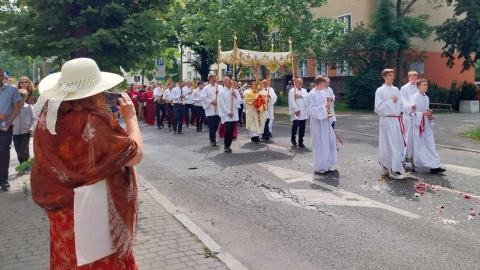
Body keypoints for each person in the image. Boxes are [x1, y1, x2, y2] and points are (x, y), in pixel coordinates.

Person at [30, 58, 143, 268]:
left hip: (61, 211)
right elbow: (134, 155)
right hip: (94, 209)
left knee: (68, 258)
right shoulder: (95, 119)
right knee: (99, 261)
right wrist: (131, 118)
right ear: (94, 91)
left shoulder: (46, 119)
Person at [374, 69, 415, 180]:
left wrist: (410, 107)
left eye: (393, 75)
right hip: (386, 120)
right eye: (390, 75)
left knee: (397, 144)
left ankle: (395, 168)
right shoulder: (380, 90)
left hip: (396, 120)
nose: (392, 77)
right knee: (387, 144)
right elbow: (378, 108)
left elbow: (402, 104)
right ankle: (386, 166)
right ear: (384, 77)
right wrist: (391, 102)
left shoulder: (396, 89)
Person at [408, 79, 446, 174]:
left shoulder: (427, 98)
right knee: (419, 145)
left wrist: (430, 115)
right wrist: (422, 114)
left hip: (426, 124)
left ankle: (435, 165)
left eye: (427, 84)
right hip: (418, 125)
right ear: (418, 86)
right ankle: (416, 163)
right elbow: (411, 113)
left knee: (430, 144)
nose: (426, 86)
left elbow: (426, 110)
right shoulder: (414, 98)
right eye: (424, 85)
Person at [308, 76, 337, 174]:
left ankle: (328, 164)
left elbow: (328, 105)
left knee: (329, 143)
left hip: (326, 122)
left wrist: (329, 115)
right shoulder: (311, 94)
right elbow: (312, 110)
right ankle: (320, 167)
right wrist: (324, 107)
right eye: (324, 84)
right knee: (320, 144)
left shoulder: (323, 92)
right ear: (320, 84)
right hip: (318, 123)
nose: (325, 86)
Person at [0, 68, 23, 190]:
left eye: (0, 76)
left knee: (4, 151)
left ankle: (3, 180)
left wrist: (10, 120)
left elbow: (17, 107)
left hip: (5, 127)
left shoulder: (12, 90)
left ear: (3, 77)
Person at [12, 89, 37, 173]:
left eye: (23, 98)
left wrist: (31, 127)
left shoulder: (29, 107)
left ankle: (26, 166)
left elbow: (34, 119)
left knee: (24, 148)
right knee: (18, 150)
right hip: (15, 132)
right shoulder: (13, 107)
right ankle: (22, 165)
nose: (21, 100)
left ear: (26, 97)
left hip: (26, 131)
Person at [217, 77, 240, 153]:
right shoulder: (221, 92)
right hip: (226, 114)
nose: (230, 82)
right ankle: (226, 145)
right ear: (224, 82)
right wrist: (228, 112)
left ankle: (228, 145)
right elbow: (221, 104)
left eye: (230, 81)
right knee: (228, 129)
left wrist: (235, 96)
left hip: (233, 114)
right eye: (228, 81)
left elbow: (239, 103)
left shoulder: (234, 91)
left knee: (231, 130)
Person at [400, 71, 419, 160]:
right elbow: (402, 100)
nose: (414, 80)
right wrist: (410, 106)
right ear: (409, 78)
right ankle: (405, 152)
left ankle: (414, 153)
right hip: (408, 114)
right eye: (412, 78)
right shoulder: (404, 88)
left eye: (415, 79)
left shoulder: (418, 87)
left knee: (415, 134)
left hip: (416, 114)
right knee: (406, 133)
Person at [201, 74, 222, 146]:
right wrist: (211, 101)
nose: (214, 79)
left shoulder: (219, 87)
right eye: (213, 78)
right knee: (211, 125)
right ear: (209, 79)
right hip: (210, 109)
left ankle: (213, 136)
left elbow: (223, 96)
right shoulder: (206, 88)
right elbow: (203, 98)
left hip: (218, 109)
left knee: (216, 125)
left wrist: (218, 93)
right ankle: (212, 139)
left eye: (215, 78)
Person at [289, 78, 309, 147]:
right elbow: (291, 101)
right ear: (295, 83)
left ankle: (301, 141)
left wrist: (300, 96)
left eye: (301, 82)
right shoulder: (292, 91)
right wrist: (296, 110)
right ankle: (293, 138)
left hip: (303, 111)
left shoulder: (304, 90)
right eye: (299, 82)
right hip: (296, 112)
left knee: (302, 127)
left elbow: (308, 97)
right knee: (296, 124)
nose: (300, 84)